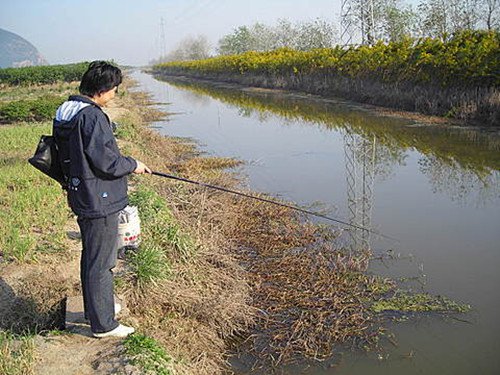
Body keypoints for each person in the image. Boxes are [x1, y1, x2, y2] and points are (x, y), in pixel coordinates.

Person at [53, 61, 151, 338]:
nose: (114, 96)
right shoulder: (92, 117)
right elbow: (107, 162)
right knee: (102, 262)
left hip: (80, 193)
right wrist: (134, 164)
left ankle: (96, 308)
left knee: (92, 258)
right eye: (114, 91)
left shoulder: (67, 109)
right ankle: (103, 324)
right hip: (99, 199)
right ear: (103, 89)